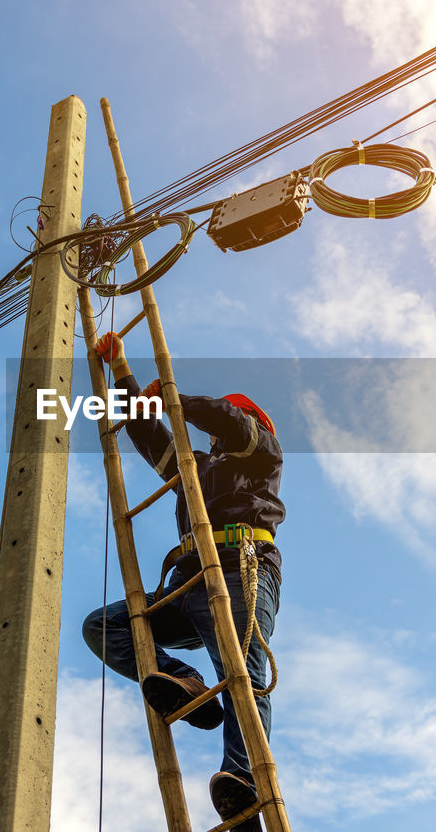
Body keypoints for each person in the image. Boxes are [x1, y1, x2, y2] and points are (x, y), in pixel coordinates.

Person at [82, 331, 285, 831]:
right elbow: (151, 436)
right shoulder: (198, 472)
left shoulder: (261, 454)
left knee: (243, 674)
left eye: (225, 422)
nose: (215, 434)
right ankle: (187, 681)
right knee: (105, 626)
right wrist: (122, 370)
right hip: (190, 581)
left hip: (241, 568)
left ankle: (244, 784)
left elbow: (230, 421)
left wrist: (178, 399)